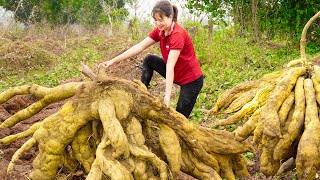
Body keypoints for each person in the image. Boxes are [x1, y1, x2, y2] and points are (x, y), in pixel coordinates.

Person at [99, 0, 203, 118]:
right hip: (177, 73)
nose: (158, 23)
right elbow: (139, 47)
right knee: (149, 60)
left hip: (191, 80)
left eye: (161, 20)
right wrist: (113, 61)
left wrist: (167, 96)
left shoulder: (177, 35)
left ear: (170, 17)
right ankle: (143, 94)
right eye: (155, 20)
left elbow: (170, 66)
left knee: (179, 118)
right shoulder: (160, 31)